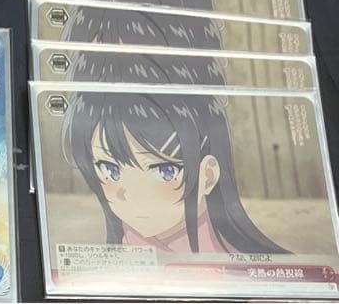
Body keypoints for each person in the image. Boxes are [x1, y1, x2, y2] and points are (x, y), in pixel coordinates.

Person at [63, 84, 289, 254]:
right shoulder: (126, 239)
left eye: (165, 171)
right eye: (109, 169)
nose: (130, 193)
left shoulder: (229, 258)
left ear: (208, 175)